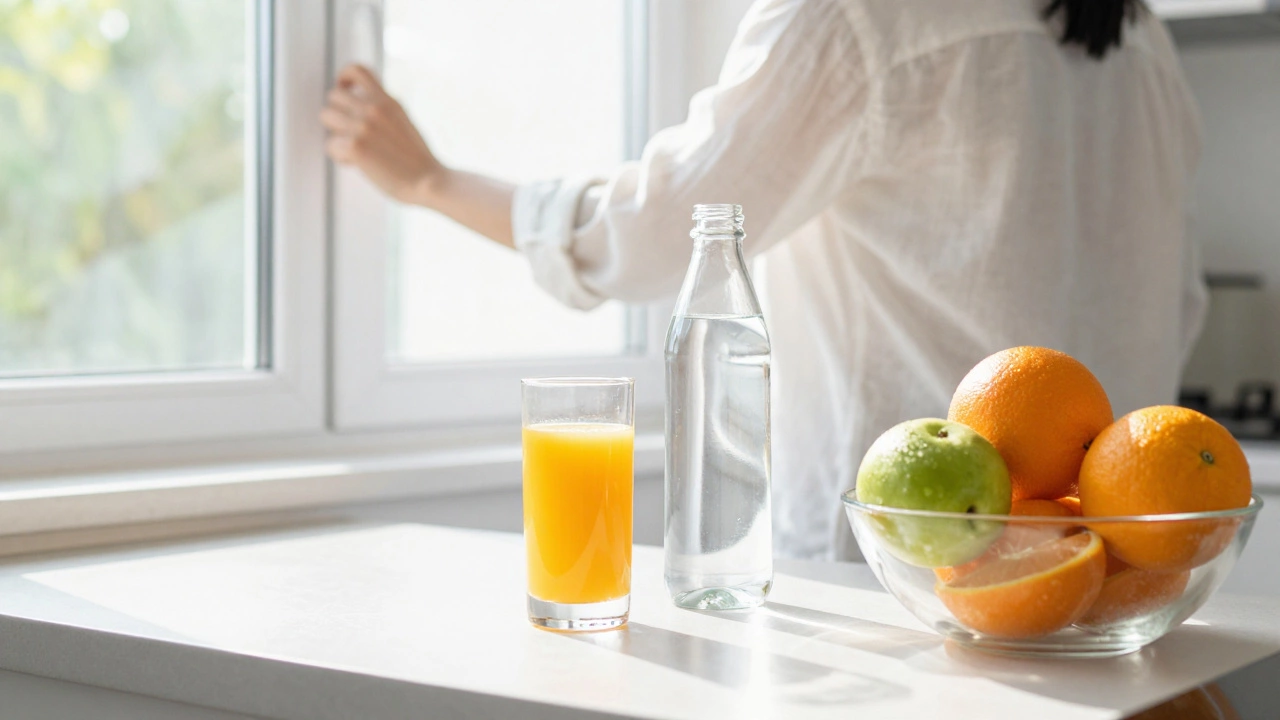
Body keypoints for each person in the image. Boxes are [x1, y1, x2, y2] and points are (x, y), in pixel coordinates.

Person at [321, 0, 1205, 561]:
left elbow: (656, 236)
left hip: (902, 587)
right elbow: (1182, 305)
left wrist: (429, 183)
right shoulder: (1143, 37)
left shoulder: (859, 17)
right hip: (1102, 578)